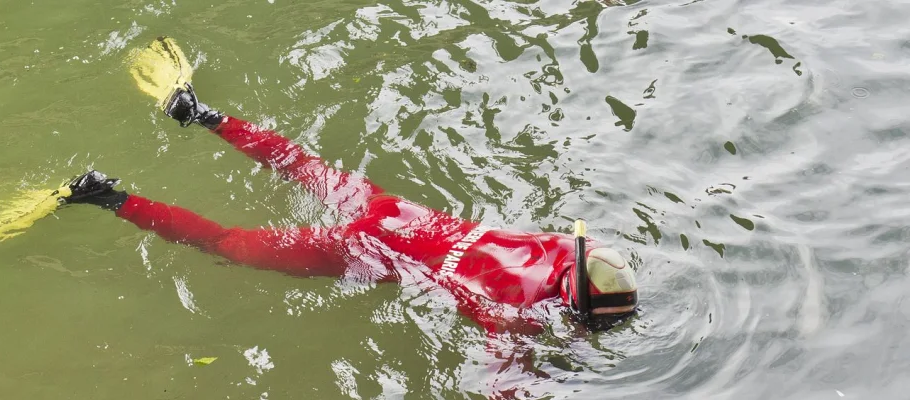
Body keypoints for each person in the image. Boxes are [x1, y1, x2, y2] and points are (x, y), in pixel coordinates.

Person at [63, 84, 638, 338]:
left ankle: (201, 112)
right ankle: (106, 196)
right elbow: (502, 390)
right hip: (370, 251)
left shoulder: (568, 246)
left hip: (401, 216)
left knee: (299, 164)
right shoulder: (516, 316)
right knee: (226, 244)